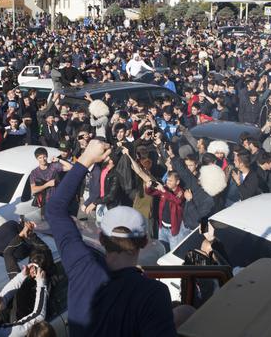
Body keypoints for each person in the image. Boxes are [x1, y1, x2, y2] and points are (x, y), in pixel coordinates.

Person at [46, 139, 176, 337]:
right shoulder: (153, 293)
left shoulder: (81, 265)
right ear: (143, 242)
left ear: (102, 237)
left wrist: (86, 158)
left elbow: (54, 209)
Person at [0, 265, 48, 336]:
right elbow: (38, 316)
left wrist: (23, 275)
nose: (2, 297)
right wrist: (41, 283)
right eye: (0, 300)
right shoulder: (4, 332)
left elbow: (5, 295)